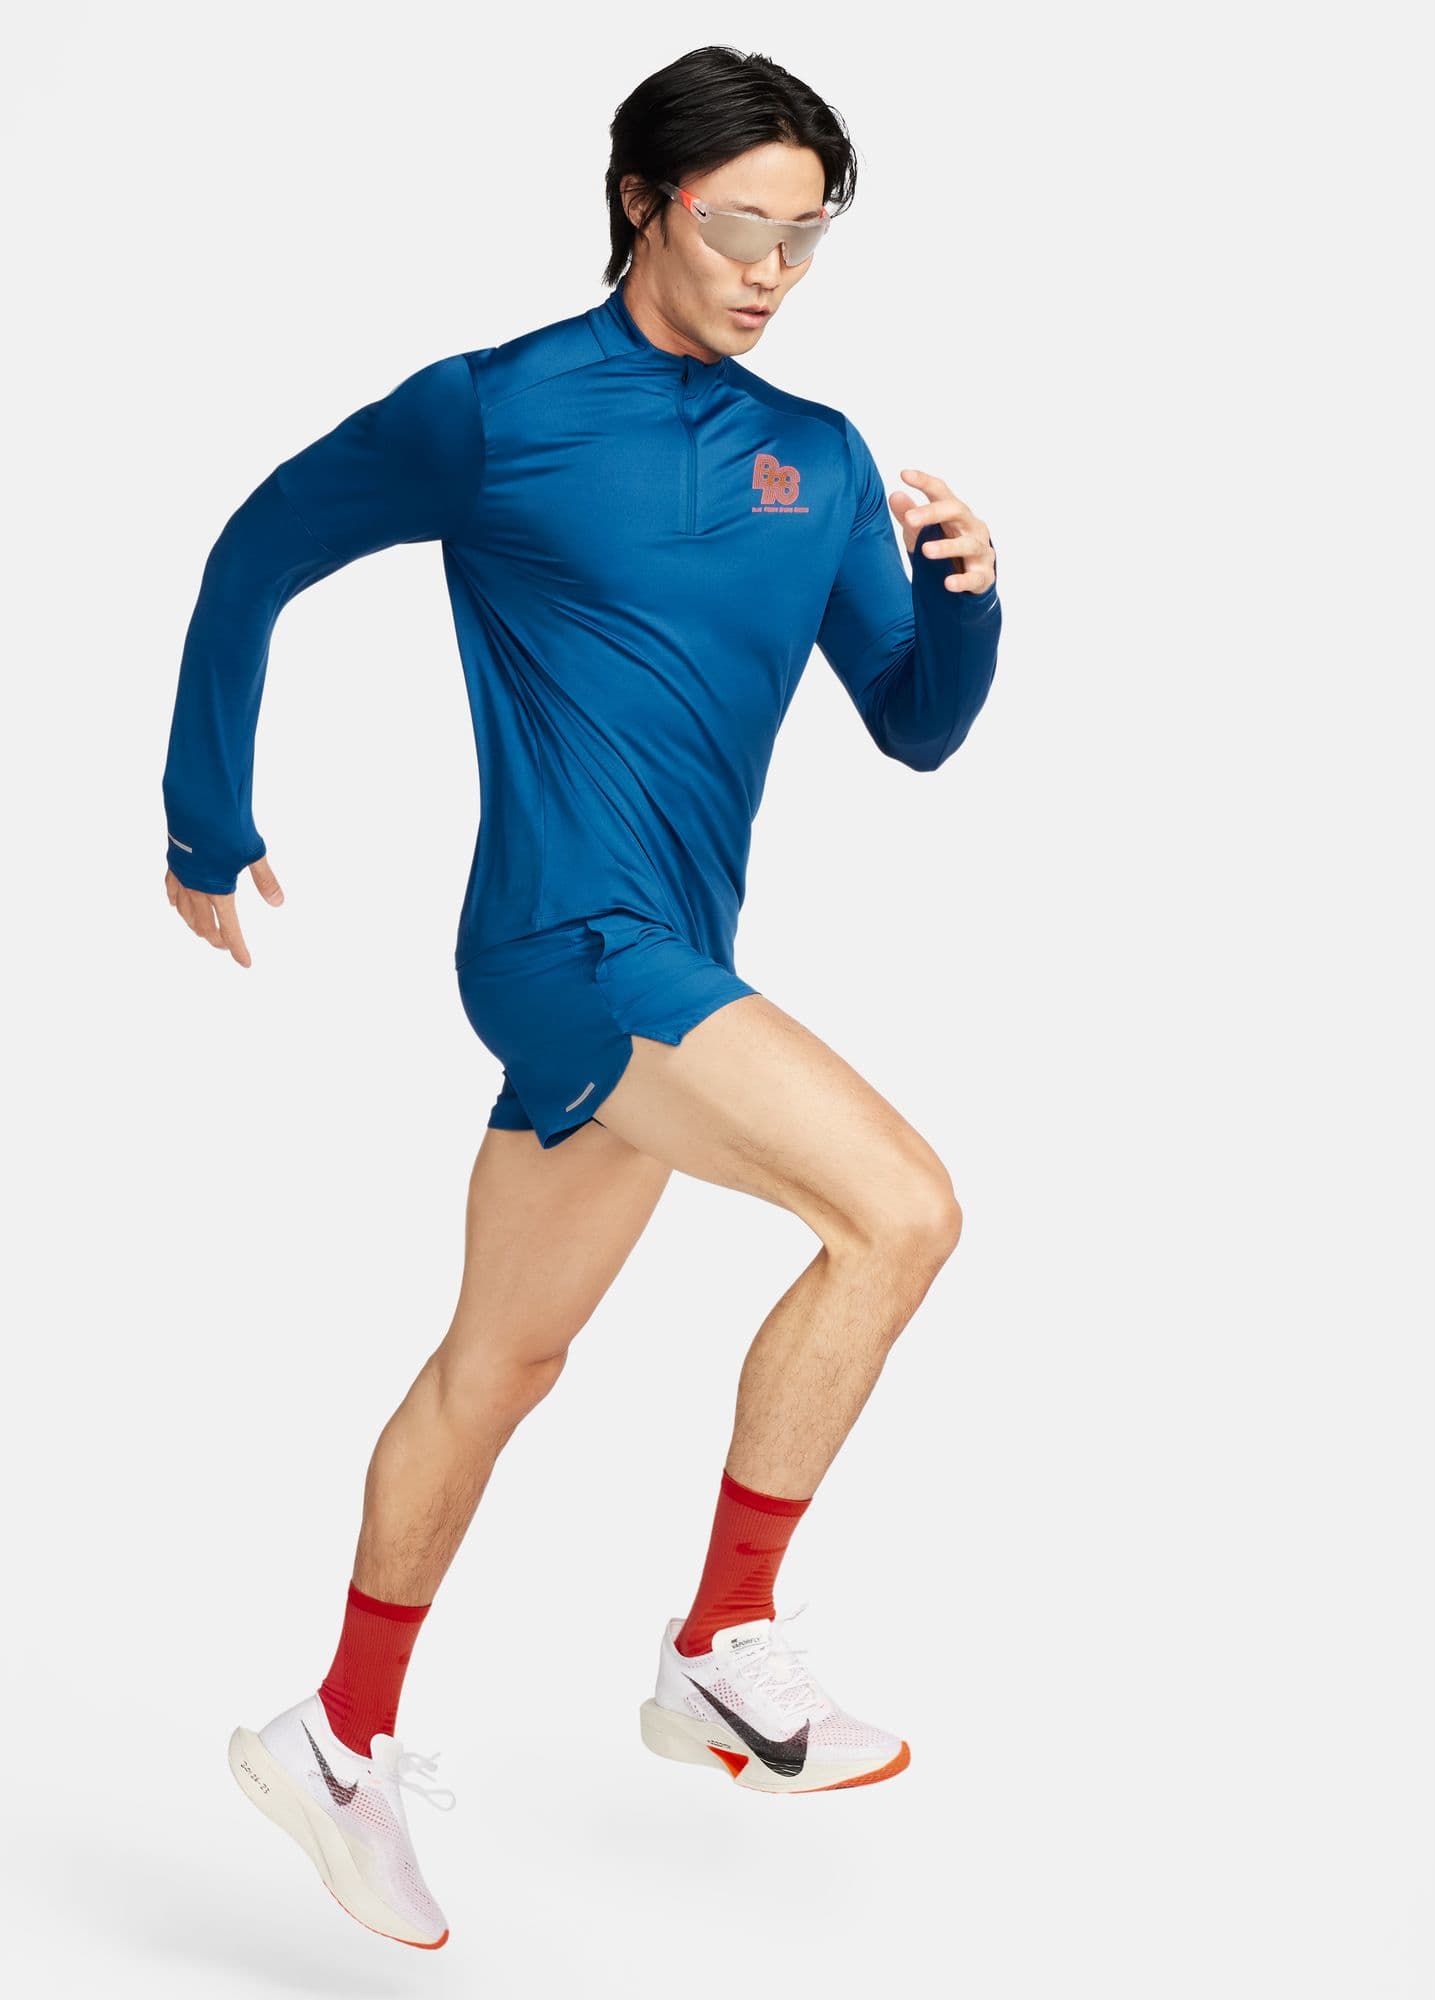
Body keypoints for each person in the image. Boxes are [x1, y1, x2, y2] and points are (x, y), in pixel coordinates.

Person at [163, 45, 1002, 1950]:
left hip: (667, 959)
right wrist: (206, 810)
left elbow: (916, 727)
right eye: (738, 224)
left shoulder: (821, 457)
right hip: (568, 942)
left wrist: (965, 602)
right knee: (899, 1213)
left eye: (808, 234)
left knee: (501, 1366)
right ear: (642, 199)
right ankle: (723, 1643)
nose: (773, 268)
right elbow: (257, 549)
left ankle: (336, 1735)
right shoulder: (494, 411)